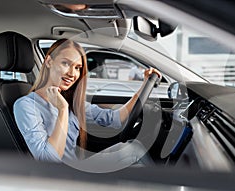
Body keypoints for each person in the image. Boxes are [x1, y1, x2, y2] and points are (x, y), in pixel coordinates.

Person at [13, 39, 161, 172]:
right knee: (134, 150)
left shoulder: (72, 101)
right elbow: (48, 160)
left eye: (77, 67)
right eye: (66, 63)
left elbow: (116, 119)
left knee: (134, 150)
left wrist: (145, 84)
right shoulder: (25, 106)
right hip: (60, 176)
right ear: (49, 61)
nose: (72, 73)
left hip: (77, 167)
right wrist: (62, 110)